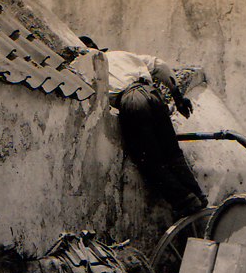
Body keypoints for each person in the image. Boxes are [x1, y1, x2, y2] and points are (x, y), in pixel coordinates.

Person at [79, 36, 208, 218]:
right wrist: (177, 97)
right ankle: (199, 196)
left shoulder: (89, 68)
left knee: (149, 161)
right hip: (152, 94)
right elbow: (161, 66)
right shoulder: (121, 55)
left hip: (131, 101)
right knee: (173, 152)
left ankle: (185, 201)